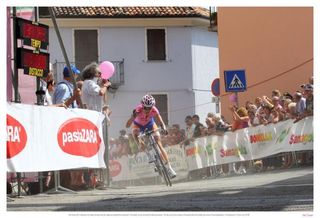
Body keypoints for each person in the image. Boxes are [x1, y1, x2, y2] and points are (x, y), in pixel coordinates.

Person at [126, 94, 176, 179]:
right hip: (138, 126)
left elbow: (160, 121)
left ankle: (169, 167)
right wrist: (132, 117)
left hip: (150, 124)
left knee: (159, 144)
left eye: (150, 108)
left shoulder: (154, 110)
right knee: (135, 133)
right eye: (145, 107)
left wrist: (164, 127)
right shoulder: (138, 110)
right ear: (142, 106)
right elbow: (127, 125)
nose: (147, 110)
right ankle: (147, 153)